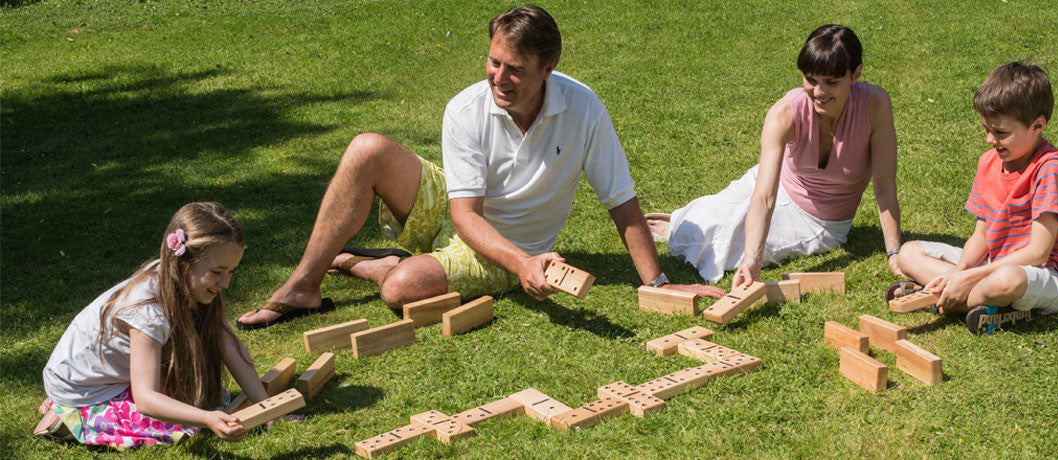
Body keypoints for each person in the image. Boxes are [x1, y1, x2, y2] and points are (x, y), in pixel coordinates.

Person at [237, 5, 722, 329]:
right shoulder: (466, 108)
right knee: (368, 148)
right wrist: (521, 265)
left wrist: (656, 283)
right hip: (462, 207)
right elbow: (464, 213)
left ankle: (376, 266)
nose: (499, 78)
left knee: (402, 288)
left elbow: (621, 200)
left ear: (548, 66)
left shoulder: (584, 109)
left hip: (510, 246)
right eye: (494, 62)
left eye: (515, 69)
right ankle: (303, 287)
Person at [646, 24, 902, 286]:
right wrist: (752, 260)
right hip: (778, 183)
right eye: (811, 80)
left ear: (855, 74)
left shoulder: (875, 105)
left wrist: (895, 253)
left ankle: (677, 225)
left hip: (818, 220)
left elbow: (884, 186)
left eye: (831, 82)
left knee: (722, 243)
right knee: (714, 217)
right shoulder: (784, 113)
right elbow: (765, 195)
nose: (819, 92)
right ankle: (679, 222)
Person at [35, 202, 268, 448]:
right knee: (184, 423)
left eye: (231, 271)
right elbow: (146, 400)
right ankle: (68, 416)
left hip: (104, 372)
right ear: (184, 261)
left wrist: (265, 406)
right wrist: (206, 419)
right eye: (218, 272)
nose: (225, 283)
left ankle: (62, 404)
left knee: (205, 399)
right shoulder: (148, 313)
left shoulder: (185, 281)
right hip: (87, 389)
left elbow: (224, 339)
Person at [891, 61, 1058, 334]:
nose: (989, 139)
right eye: (986, 129)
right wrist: (959, 272)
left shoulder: (1051, 169)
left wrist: (967, 278)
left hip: (1050, 276)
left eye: (1000, 133)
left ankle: (939, 298)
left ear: (1037, 125)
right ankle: (972, 300)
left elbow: (1039, 252)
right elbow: (981, 236)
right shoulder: (989, 162)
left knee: (1005, 280)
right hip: (995, 262)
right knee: (909, 252)